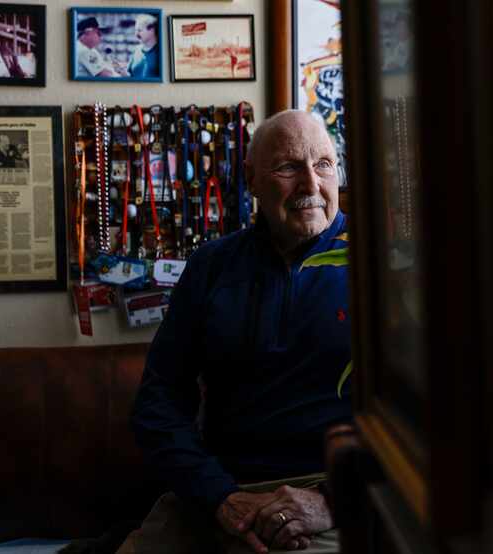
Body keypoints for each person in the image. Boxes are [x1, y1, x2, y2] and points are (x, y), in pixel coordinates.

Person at [119, 110, 350, 554]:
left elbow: (426, 419)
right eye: (288, 167)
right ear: (251, 180)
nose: (310, 185)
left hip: (330, 495)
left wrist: (332, 502)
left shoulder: (383, 263)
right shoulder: (211, 266)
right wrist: (220, 497)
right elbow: (157, 404)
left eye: (323, 164)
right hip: (224, 491)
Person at [128, 14, 159, 78]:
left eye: (139, 30)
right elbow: (130, 76)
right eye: (135, 30)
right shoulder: (136, 50)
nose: (136, 34)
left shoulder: (160, 51)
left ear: (151, 30)